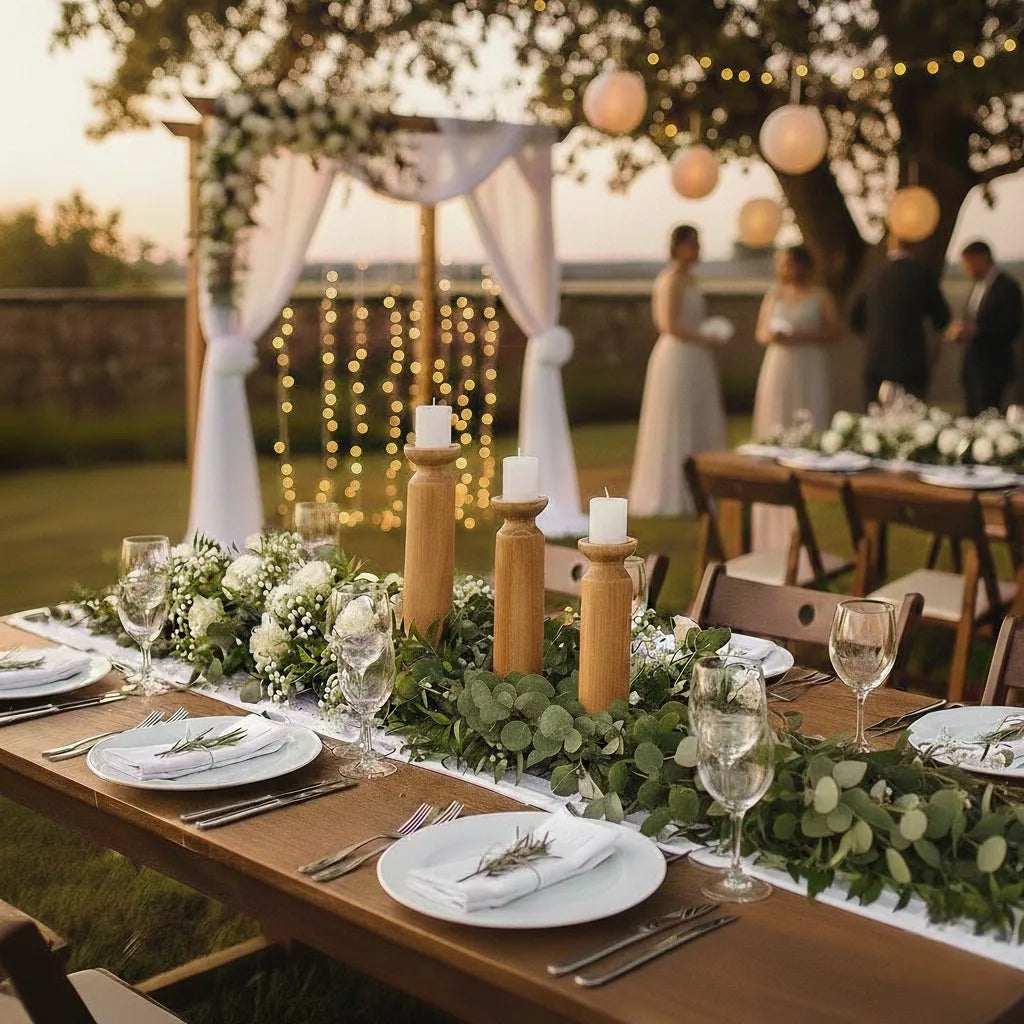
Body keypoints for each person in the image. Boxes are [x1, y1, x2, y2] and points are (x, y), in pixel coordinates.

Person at [629, 225, 728, 517]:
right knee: (676, 418)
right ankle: (673, 492)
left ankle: (703, 488)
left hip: (698, 358)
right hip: (678, 356)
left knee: (699, 415)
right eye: (693, 244)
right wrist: (704, 338)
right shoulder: (670, 280)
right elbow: (668, 324)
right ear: (679, 246)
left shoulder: (692, 280)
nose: (698, 249)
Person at [751, 245, 840, 440]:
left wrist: (800, 336)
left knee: (809, 407)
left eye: (789, 265)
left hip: (809, 362)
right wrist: (775, 336)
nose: (784, 269)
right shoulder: (774, 296)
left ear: (803, 265)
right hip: (780, 362)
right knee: (779, 407)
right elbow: (761, 333)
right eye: (781, 265)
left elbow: (834, 332)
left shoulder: (821, 296)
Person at [850, 234, 951, 406]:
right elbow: (942, 318)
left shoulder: (873, 275)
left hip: (877, 358)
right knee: (910, 418)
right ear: (916, 246)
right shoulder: (922, 274)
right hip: (912, 361)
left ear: (889, 247)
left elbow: (855, 318)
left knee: (876, 417)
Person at [946, 240, 1023, 415]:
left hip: (993, 369)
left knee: (988, 417)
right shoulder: (977, 286)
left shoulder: (1007, 287)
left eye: (967, 263)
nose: (965, 269)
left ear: (981, 259)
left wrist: (976, 332)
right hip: (972, 368)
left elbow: (1012, 326)